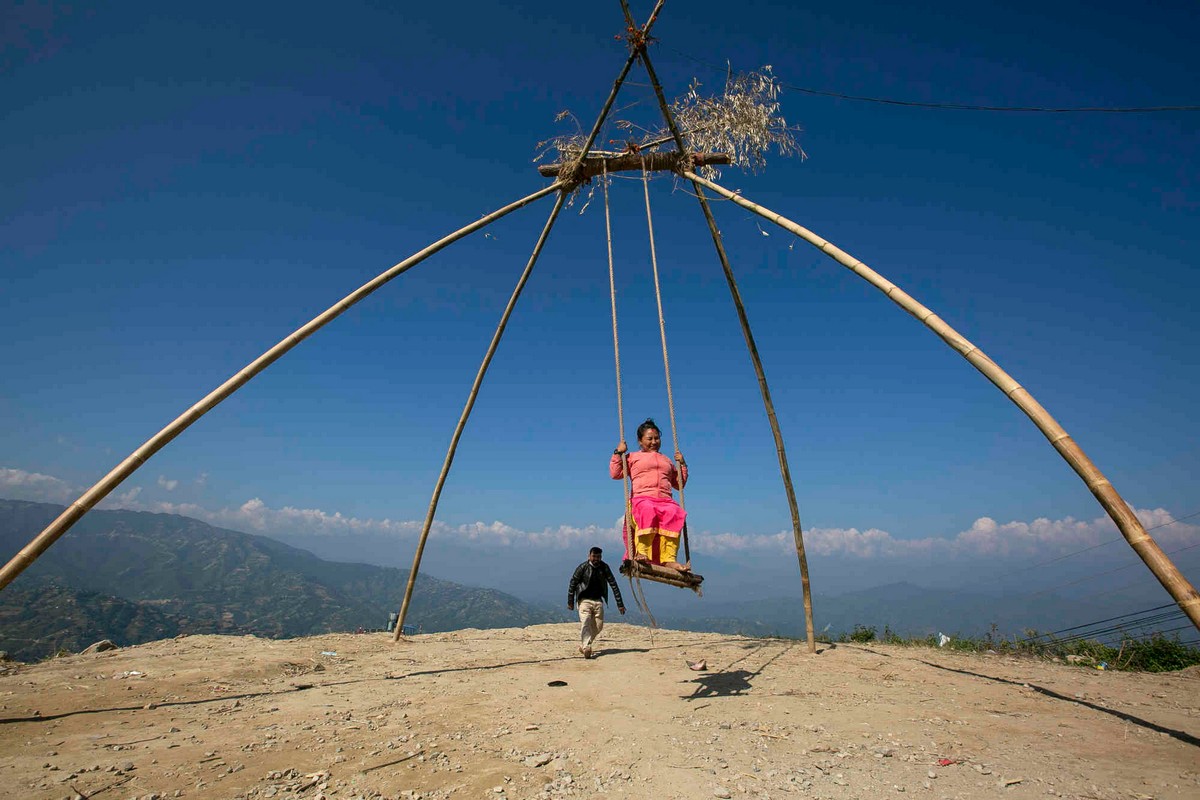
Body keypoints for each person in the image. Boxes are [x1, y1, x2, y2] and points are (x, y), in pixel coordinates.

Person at [610, 418, 690, 572]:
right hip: (642, 499)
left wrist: (683, 465)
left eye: (657, 438)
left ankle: (669, 559)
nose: (654, 442)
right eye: (649, 439)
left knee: (676, 512)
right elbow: (615, 473)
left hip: (666, 501)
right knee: (647, 510)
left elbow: (679, 484)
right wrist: (618, 453)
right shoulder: (632, 457)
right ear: (640, 441)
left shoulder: (666, 460)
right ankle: (643, 553)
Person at [567, 546, 625, 658]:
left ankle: (583, 645)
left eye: (598, 557)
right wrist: (570, 601)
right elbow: (573, 583)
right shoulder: (582, 567)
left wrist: (620, 604)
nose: (596, 559)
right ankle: (586, 646)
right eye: (594, 556)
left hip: (598, 600)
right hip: (584, 600)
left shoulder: (604, 567)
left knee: (598, 626)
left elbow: (613, 584)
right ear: (589, 556)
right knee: (586, 622)